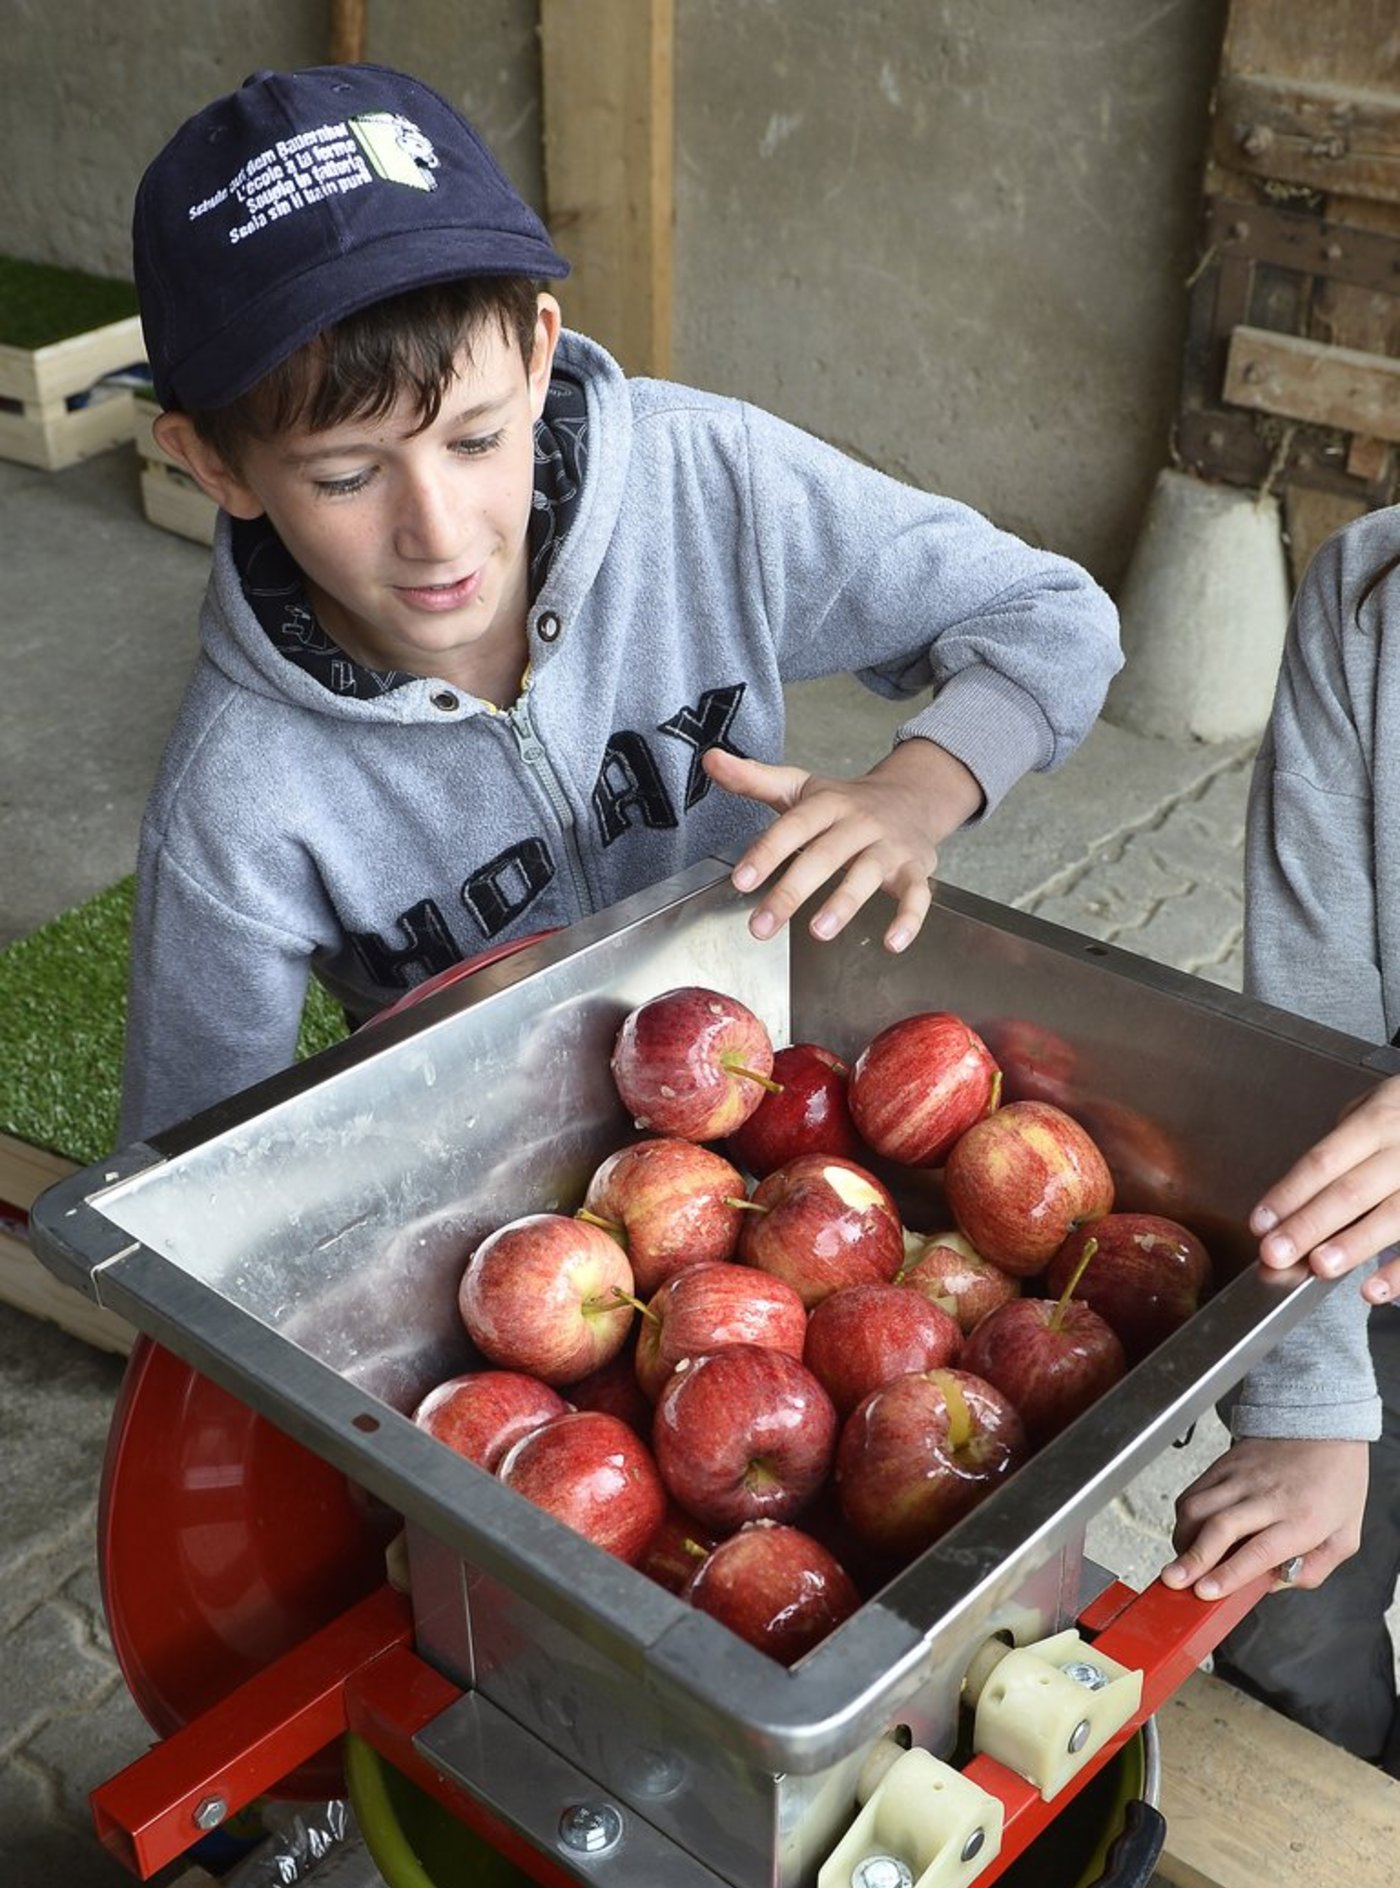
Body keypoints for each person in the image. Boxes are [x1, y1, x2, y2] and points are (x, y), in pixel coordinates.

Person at [118, 62, 1122, 1146]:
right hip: (493, 1187)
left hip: (781, 1089)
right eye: (346, 477)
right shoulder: (237, 797)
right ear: (212, 462)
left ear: (539, 354)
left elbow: (1049, 614)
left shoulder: (704, 483)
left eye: (475, 438)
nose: (441, 531)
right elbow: (180, 1167)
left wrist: (914, 794)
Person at [1161, 517, 1400, 1776]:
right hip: (1367, 1250)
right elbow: (1311, 1034)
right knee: (1283, 1627)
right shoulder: (1368, 596)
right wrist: (1306, 1401)